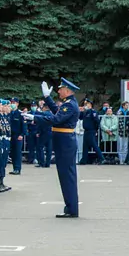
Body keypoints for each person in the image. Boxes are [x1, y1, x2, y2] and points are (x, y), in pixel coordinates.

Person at [25, 78, 80, 218]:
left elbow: (56, 119)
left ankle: (72, 208)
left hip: (65, 143)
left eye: (61, 89)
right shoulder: (68, 104)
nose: (59, 91)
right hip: (64, 142)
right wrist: (47, 98)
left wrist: (34, 117)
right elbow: (57, 111)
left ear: (67, 91)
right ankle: (70, 207)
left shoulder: (70, 105)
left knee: (67, 176)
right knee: (65, 176)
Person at [9, 97, 25, 174]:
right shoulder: (9, 113)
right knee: (12, 152)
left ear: (17, 104)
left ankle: (18, 169)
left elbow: (24, 126)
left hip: (18, 136)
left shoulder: (20, 114)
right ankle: (14, 168)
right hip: (10, 136)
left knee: (17, 152)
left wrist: (22, 134)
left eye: (14, 103)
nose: (12, 104)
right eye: (11, 103)